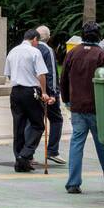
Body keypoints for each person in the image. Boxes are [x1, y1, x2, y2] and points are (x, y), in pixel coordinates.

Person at [60, 20, 104, 195]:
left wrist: (67, 101)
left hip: (77, 106)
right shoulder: (102, 55)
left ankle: (73, 183)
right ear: (98, 36)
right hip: (98, 108)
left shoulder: (72, 53)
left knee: (76, 144)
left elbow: (63, 79)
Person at [4, 28, 52, 172]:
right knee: (38, 124)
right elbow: (42, 74)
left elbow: (8, 74)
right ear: (35, 39)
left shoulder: (12, 51)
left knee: (18, 126)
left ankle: (20, 159)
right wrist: (44, 92)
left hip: (15, 91)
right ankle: (25, 155)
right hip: (30, 91)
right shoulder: (34, 52)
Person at [36, 24, 64, 165]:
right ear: (49, 37)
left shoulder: (31, 48)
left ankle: (28, 152)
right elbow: (51, 72)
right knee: (57, 119)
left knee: (34, 121)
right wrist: (53, 94)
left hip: (32, 90)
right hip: (46, 92)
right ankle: (52, 150)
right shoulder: (47, 50)